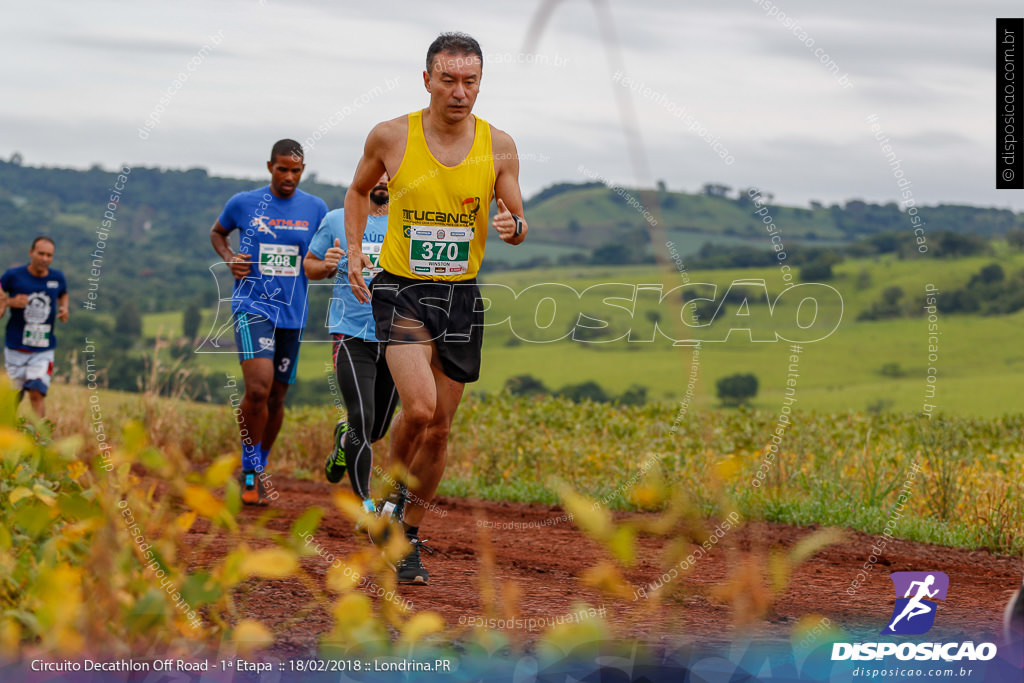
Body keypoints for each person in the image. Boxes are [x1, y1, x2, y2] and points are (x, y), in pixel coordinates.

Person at [345, 32, 528, 584]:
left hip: (461, 296)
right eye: (447, 79)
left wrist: (512, 226)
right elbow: (357, 193)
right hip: (401, 287)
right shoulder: (391, 135)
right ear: (426, 79)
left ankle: (406, 533)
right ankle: (386, 503)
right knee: (419, 410)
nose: (459, 91)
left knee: (441, 428)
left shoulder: (500, 146)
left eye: (470, 81)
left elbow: (518, 221)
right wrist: (354, 253)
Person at [210, 139, 328, 505]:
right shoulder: (244, 202)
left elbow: (318, 256)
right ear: (270, 167)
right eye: (282, 169)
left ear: (302, 171)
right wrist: (230, 257)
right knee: (258, 389)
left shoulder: (316, 208)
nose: (288, 176)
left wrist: (329, 263)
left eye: (295, 170)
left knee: (277, 398)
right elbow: (218, 232)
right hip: (252, 305)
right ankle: (248, 468)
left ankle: (260, 464)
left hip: (292, 314)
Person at [304, 172, 401, 522]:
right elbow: (310, 266)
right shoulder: (336, 219)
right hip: (350, 333)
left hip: (395, 336)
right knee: (362, 417)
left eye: (389, 177)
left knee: (375, 431)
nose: (382, 182)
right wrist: (326, 265)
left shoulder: (406, 219)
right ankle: (366, 505)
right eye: (376, 175)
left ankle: (342, 442)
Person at [0, 236, 68, 419]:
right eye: (41, 253)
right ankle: (6, 434)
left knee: (37, 391)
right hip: (15, 347)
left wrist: (64, 308)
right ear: (31, 253)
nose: (44, 258)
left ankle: (39, 438)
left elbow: (63, 294)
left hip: (42, 349)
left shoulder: (57, 278)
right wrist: (9, 302)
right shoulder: (13, 276)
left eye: (49, 255)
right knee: (13, 397)